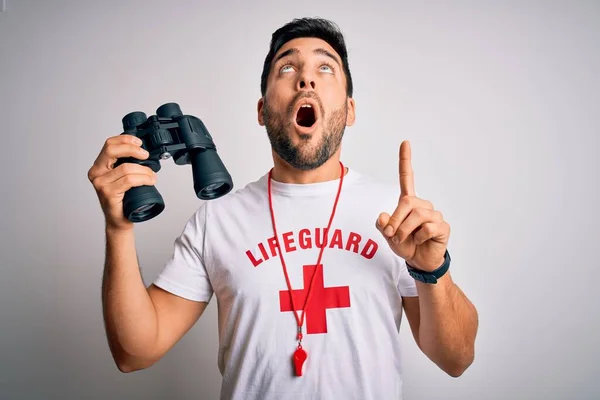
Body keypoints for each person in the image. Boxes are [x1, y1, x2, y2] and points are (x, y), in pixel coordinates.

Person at [87, 17, 479, 400]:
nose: (306, 78)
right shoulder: (217, 220)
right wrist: (118, 228)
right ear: (261, 110)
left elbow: (456, 358)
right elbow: (134, 352)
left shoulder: (395, 216)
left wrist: (433, 269)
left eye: (326, 67)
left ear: (350, 109)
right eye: (287, 66)